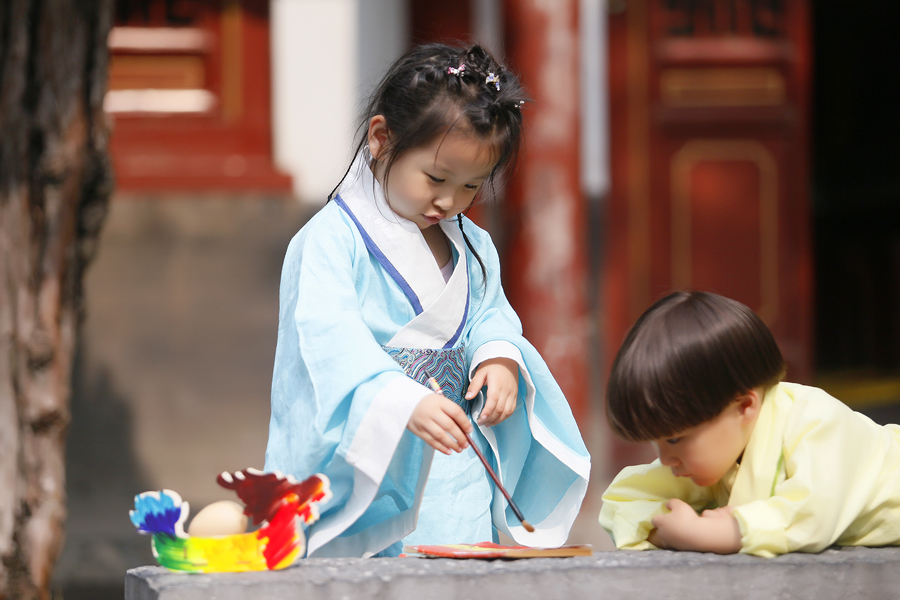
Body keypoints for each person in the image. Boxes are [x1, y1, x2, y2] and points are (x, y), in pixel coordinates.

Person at [264, 43, 590, 558]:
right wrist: (399, 398)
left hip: (455, 448)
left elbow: (490, 313)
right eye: (436, 178)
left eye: (471, 187)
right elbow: (326, 339)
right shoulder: (330, 240)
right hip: (373, 447)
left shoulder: (473, 243)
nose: (449, 201)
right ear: (381, 138)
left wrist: (499, 357)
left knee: (457, 557)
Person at [598, 291, 900, 557]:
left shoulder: (817, 422)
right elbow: (621, 500)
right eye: (658, 441)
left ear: (743, 406)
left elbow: (812, 513)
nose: (665, 458)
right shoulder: (716, 446)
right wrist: (666, 531)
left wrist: (718, 533)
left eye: (675, 439)